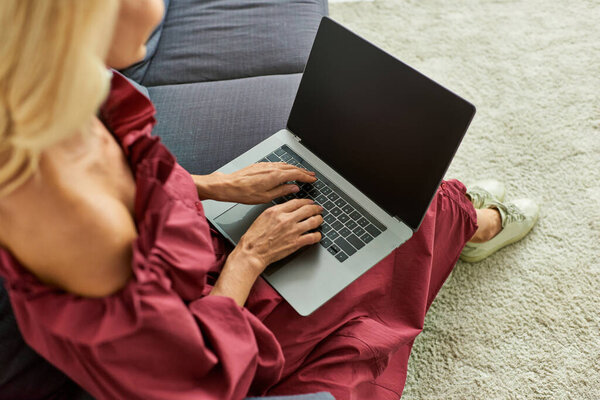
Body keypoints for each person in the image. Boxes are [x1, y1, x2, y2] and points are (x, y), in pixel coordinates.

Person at [0, 1, 539, 399]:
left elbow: (131, 181)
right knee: (405, 225)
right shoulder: (75, 219)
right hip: (211, 335)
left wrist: (216, 185)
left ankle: (455, 220)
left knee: (361, 204)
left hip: (195, 274)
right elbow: (188, 377)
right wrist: (251, 256)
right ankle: (469, 223)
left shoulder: (57, 95)